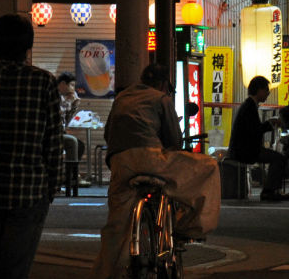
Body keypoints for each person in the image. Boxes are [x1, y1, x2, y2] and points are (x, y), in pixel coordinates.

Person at [91, 63, 221, 279]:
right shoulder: (161, 98)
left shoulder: (121, 98)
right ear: (163, 85)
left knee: (117, 225)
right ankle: (190, 226)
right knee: (208, 167)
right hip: (150, 159)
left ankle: (106, 274)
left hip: (120, 163)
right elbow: (174, 140)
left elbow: (108, 134)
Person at [0, 13, 62, 279]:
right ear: (28, 46)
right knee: (16, 267)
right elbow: (53, 141)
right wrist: (51, 187)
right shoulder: (43, 82)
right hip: (29, 189)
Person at [228, 75, 289, 201]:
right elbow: (255, 130)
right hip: (245, 150)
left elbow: (254, 129)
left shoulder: (249, 105)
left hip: (244, 148)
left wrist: (269, 124)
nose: (268, 93)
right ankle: (269, 191)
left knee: (278, 158)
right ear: (259, 90)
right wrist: (270, 124)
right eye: (266, 90)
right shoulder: (249, 107)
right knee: (279, 159)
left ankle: (271, 190)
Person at [57, 72, 90, 187]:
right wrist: (70, 101)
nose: (73, 89)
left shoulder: (68, 98)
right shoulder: (55, 96)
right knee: (74, 143)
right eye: (71, 85)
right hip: (53, 132)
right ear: (62, 84)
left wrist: (75, 104)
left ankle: (70, 175)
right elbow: (59, 113)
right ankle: (70, 177)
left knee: (80, 145)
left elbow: (67, 120)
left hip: (61, 131)